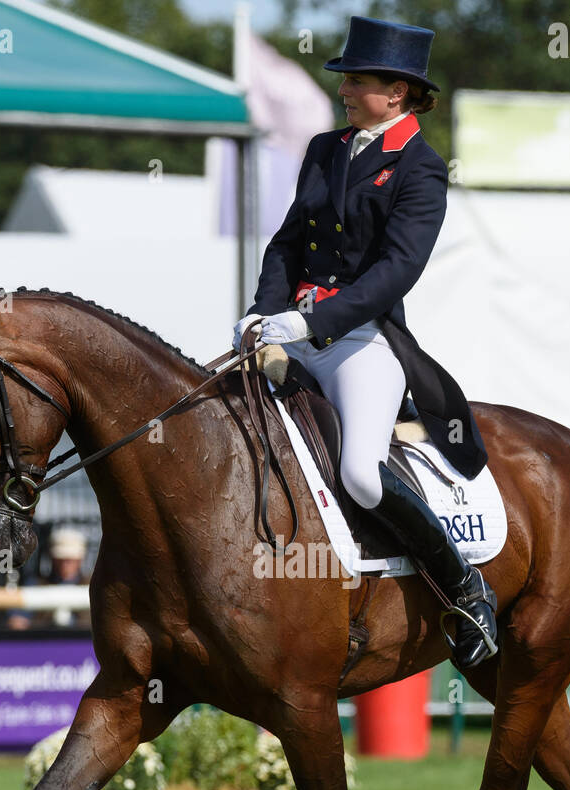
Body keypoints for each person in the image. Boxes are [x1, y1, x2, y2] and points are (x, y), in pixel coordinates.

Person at [232, 15, 497, 669]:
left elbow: (395, 273)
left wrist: (310, 323)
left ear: (397, 93)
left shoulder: (421, 170)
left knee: (359, 471)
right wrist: (261, 314)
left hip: (360, 341)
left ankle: (465, 590)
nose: (345, 89)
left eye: (356, 80)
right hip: (291, 330)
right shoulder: (325, 149)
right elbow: (289, 242)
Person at [7, 526, 91, 630]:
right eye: (60, 558)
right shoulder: (35, 585)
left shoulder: (92, 587)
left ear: (80, 559)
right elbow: (17, 620)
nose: (65, 563)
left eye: (70, 559)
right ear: (51, 557)